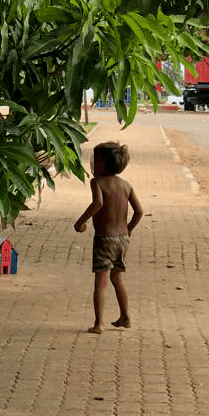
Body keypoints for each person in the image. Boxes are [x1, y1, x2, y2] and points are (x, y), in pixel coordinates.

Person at [73, 141, 143, 334]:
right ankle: (125, 317)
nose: (92, 164)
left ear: (103, 164)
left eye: (94, 160)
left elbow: (98, 203)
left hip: (104, 239)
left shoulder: (97, 182)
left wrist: (80, 222)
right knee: (118, 279)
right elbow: (139, 211)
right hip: (122, 240)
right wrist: (128, 229)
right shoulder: (126, 185)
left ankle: (99, 323)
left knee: (101, 282)